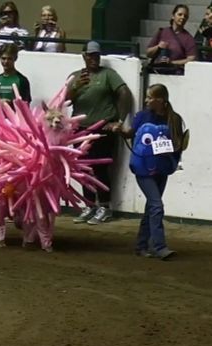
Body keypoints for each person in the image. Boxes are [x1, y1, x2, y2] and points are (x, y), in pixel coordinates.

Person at [110, 84, 187, 260]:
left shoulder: (173, 119)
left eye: (150, 97)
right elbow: (130, 133)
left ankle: (142, 245)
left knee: (152, 207)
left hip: (161, 167)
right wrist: (120, 130)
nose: (146, 101)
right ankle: (159, 247)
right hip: (144, 168)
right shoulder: (145, 116)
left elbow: (178, 143)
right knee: (156, 205)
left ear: (160, 100)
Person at [66, 41, 133, 225]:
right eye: (90, 55)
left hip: (102, 127)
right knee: (83, 169)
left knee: (100, 168)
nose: (94, 59)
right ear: (84, 56)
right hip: (80, 129)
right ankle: (89, 205)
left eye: (96, 55)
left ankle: (104, 205)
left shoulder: (108, 75)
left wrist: (119, 120)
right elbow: (64, 99)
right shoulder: (75, 76)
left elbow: (124, 93)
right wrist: (75, 86)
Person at [145, 4, 197, 72]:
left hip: (176, 73)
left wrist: (172, 62)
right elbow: (148, 53)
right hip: (157, 70)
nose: (182, 17)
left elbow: (191, 59)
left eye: (185, 16)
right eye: (180, 14)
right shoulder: (162, 32)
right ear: (173, 16)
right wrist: (158, 47)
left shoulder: (189, 38)